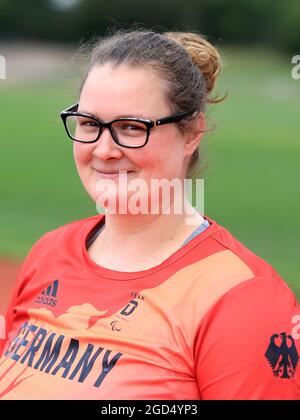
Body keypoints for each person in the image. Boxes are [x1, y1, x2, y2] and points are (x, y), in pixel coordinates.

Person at [0, 29, 299, 401]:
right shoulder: (49, 252)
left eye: (131, 127)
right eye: (90, 124)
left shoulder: (242, 296)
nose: (104, 149)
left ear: (192, 134)